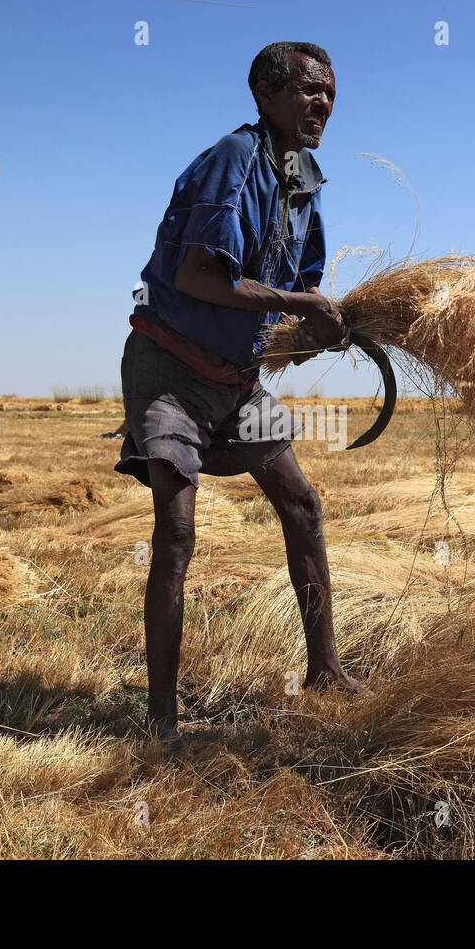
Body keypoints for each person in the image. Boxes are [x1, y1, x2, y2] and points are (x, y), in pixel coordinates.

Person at [114, 41, 365, 740]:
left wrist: (324, 322)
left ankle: (325, 670)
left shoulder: (303, 180)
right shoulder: (233, 160)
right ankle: (161, 720)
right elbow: (198, 278)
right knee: (178, 532)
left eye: (330, 96)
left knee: (302, 506)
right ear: (265, 93)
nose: (321, 106)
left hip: (235, 381)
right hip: (170, 370)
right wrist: (295, 301)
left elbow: (299, 295)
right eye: (308, 92)